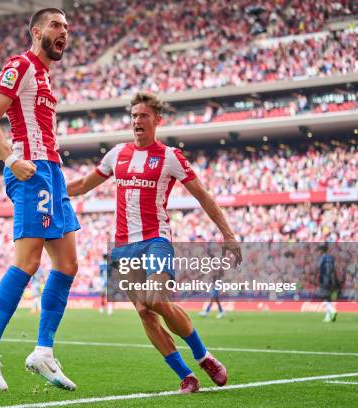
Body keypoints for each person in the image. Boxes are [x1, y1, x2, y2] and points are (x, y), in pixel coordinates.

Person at [67, 92, 242, 394]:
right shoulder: (117, 154)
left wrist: (228, 234)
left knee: (154, 297)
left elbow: (202, 195)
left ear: (157, 120)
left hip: (155, 240)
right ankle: (186, 376)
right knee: (144, 312)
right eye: (134, 116)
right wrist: (45, 190)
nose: (137, 121)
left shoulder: (170, 156)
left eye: (143, 116)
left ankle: (203, 356)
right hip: (122, 246)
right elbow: (82, 186)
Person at [0, 8, 80, 392]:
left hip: (52, 171)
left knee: (67, 264)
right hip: (31, 171)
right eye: (55, 25)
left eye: (66, 27)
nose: (63, 31)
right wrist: (12, 159)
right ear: (36, 31)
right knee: (29, 261)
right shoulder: (21, 64)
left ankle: (43, 352)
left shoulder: (47, 77)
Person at [317, 244, 340, 322]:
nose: (318, 252)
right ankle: (328, 317)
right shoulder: (331, 258)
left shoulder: (321, 258)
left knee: (324, 298)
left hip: (324, 280)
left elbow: (318, 268)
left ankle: (333, 310)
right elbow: (334, 269)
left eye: (319, 250)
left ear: (322, 251)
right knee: (328, 298)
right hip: (332, 280)